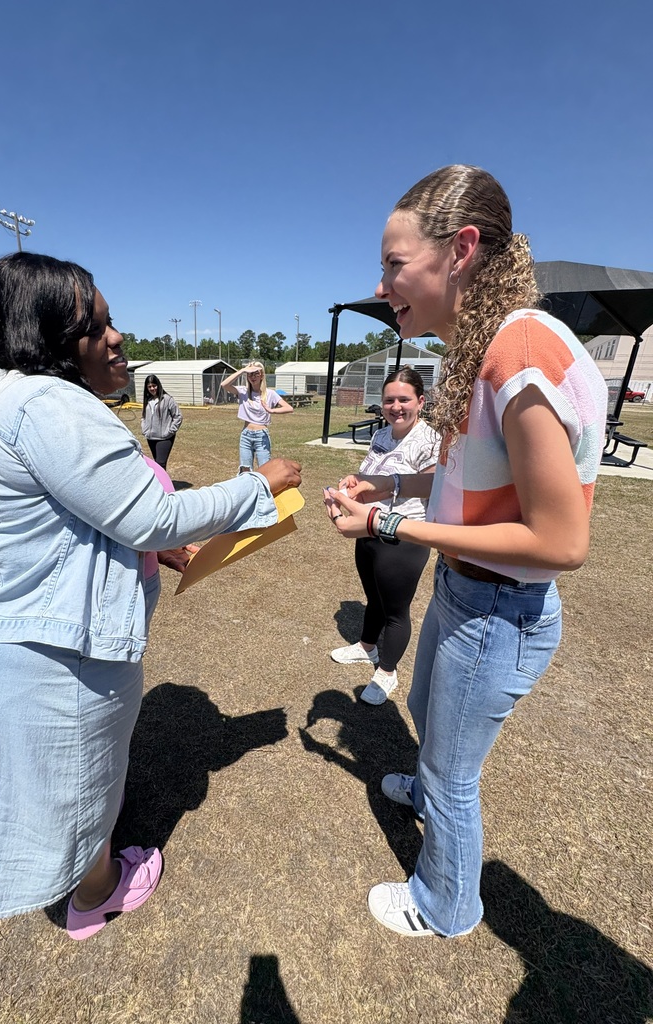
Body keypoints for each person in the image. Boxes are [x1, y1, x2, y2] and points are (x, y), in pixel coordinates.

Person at [0, 252, 301, 941]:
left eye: (109, 321)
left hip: (35, 648)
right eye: (95, 327)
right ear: (44, 339)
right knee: (78, 791)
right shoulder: (47, 403)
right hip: (51, 661)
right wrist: (260, 485)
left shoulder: (29, 403)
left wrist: (152, 545)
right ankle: (95, 895)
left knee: (69, 789)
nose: (117, 338)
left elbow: (100, 518)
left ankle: (86, 879)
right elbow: (149, 517)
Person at [324, 165, 607, 939]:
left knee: (452, 775)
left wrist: (391, 529)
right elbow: (464, 475)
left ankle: (445, 904)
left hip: (498, 611)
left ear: (461, 250)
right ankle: (424, 796)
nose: (383, 285)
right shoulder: (486, 342)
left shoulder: (516, 354)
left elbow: (560, 540)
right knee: (421, 714)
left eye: (394, 263)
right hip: (466, 594)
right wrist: (385, 492)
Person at [329, 368, 439, 705]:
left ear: (420, 401)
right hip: (369, 528)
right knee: (374, 596)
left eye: (404, 399)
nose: (396, 406)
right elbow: (370, 473)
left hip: (404, 536)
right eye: (389, 400)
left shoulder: (431, 441)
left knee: (396, 609)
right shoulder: (381, 436)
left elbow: (435, 487)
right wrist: (353, 477)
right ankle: (367, 647)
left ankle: (387, 673)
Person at [221, 361, 293, 472]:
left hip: (262, 436)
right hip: (246, 435)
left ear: (262, 375)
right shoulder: (243, 392)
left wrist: (272, 410)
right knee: (245, 471)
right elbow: (224, 385)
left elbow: (289, 408)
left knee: (265, 471)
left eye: (256, 373)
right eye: (250, 374)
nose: (253, 377)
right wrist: (243, 370)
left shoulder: (270, 394)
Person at [141, 373, 182, 471]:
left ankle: (164, 486)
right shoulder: (148, 400)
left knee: (160, 463)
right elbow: (144, 417)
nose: (152, 388)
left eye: (154, 386)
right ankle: (160, 484)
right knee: (157, 463)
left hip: (164, 438)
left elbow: (178, 416)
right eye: (149, 386)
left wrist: (170, 431)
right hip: (151, 437)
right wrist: (144, 429)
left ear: (158, 385)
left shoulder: (167, 399)